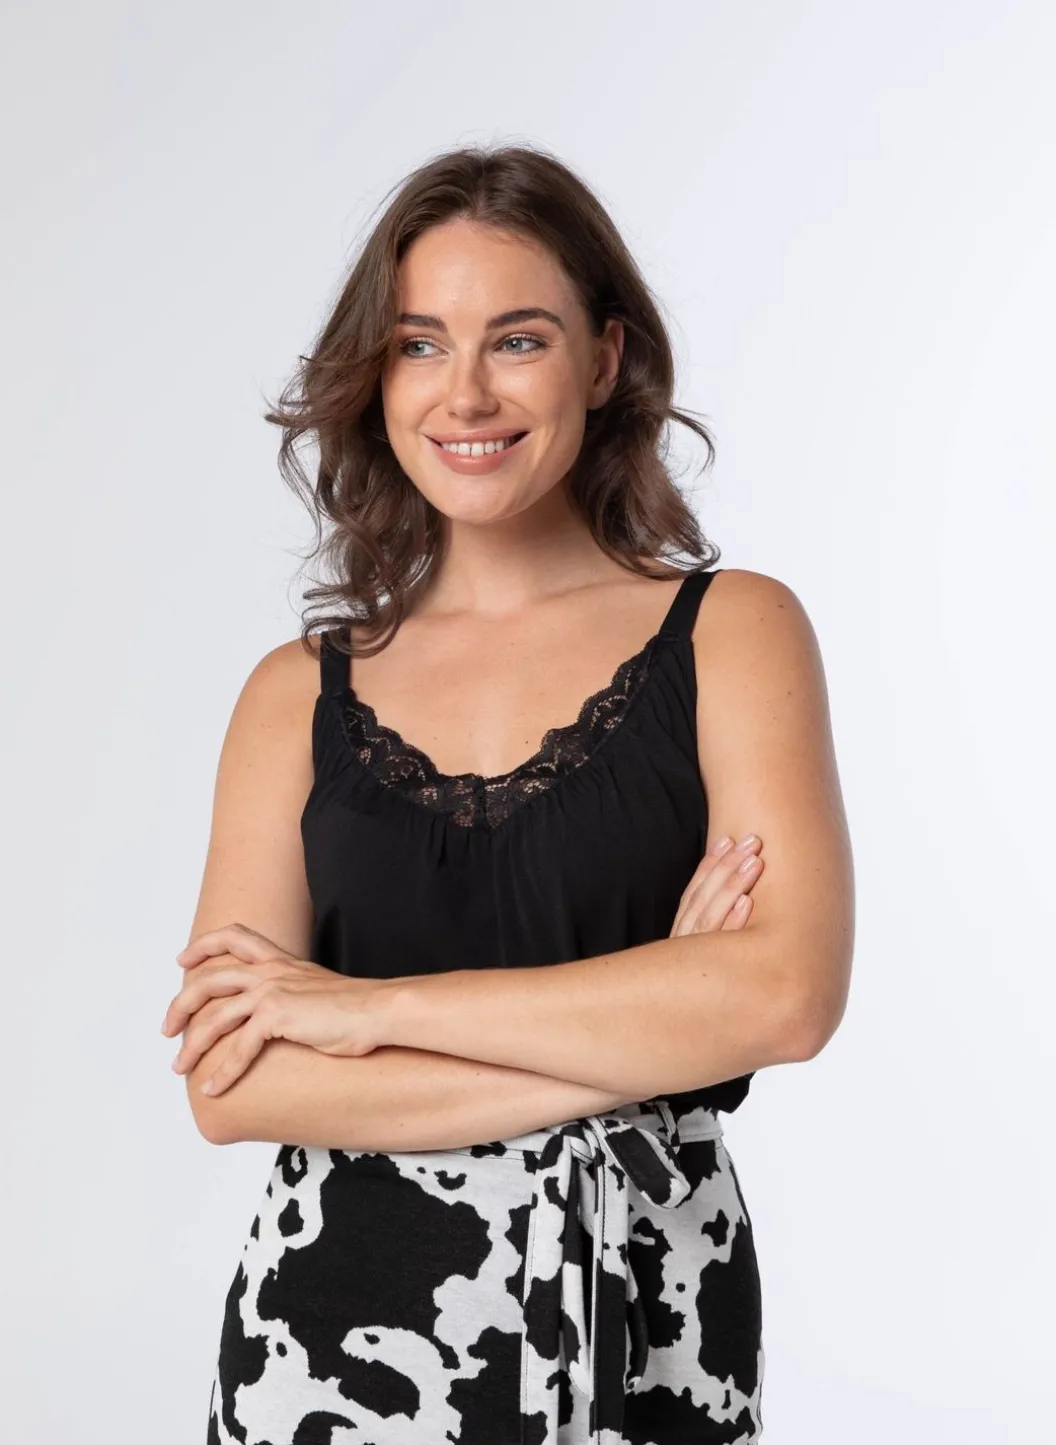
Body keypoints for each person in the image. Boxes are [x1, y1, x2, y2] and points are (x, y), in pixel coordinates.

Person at [160, 143, 854, 1445]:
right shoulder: (293, 695)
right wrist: (643, 1039)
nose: (465, 392)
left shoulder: (732, 633)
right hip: (327, 1345)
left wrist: (368, 1014)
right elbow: (233, 1085)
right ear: (377, 378)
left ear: (602, 360)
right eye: (420, 344)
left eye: (518, 339)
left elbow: (784, 998)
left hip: (644, 1323)